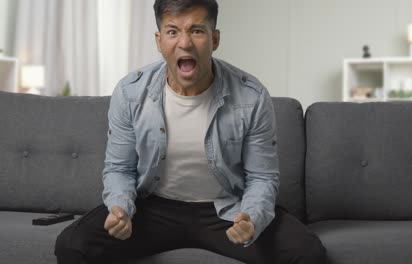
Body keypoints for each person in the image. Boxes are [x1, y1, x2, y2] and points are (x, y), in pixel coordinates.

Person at [55, 0, 326, 263]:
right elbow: (119, 169)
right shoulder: (130, 92)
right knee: (72, 245)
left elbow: (262, 177)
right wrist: (121, 209)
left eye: (197, 30)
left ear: (215, 39)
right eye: (173, 31)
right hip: (153, 208)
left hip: (225, 211)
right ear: (159, 41)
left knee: (307, 252)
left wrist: (251, 218)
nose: (184, 43)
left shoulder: (251, 96)